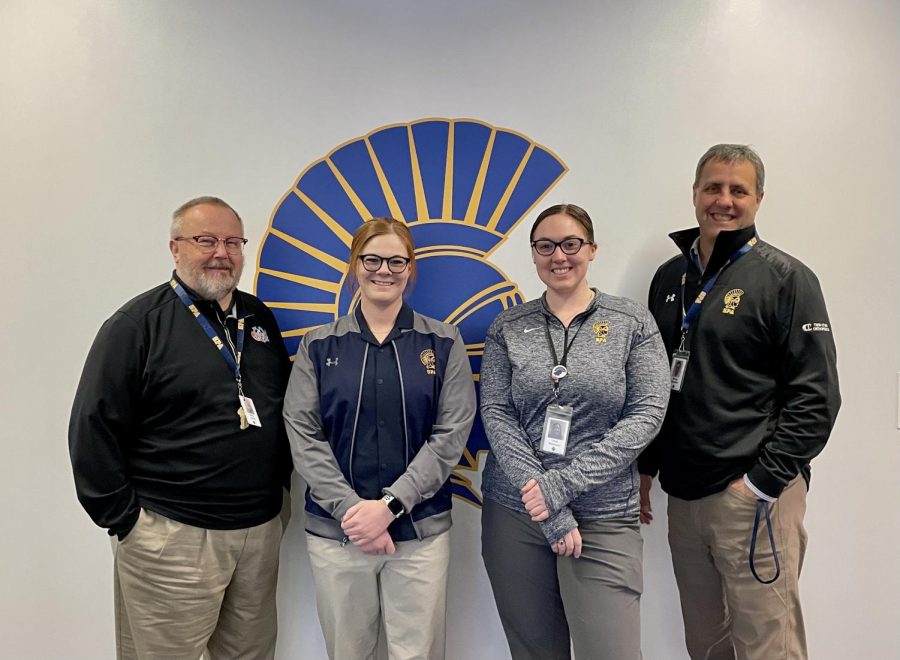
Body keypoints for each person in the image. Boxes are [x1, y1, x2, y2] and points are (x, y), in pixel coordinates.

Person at [638, 144, 841, 660]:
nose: (723, 200)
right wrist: (648, 467)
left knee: (767, 645)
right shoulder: (668, 279)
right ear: (695, 193)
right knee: (706, 645)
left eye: (738, 190)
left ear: (758, 199)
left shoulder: (786, 278)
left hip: (753, 497)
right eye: (713, 187)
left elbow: (816, 398)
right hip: (684, 495)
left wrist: (762, 483)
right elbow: (659, 381)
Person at [69, 196, 292, 660]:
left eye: (233, 242)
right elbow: (92, 426)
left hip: (258, 531)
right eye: (205, 240)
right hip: (172, 536)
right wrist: (127, 522)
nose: (221, 253)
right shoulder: (136, 325)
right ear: (175, 249)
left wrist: (281, 498)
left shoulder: (258, 319)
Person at [479, 203, 671, 660]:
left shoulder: (632, 322)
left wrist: (561, 486)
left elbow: (647, 412)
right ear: (533, 254)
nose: (558, 256)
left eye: (570, 244)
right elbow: (496, 412)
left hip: (604, 512)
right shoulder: (508, 326)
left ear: (592, 250)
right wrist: (544, 501)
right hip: (515, 513)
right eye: (545, 246)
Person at [283, 217, 477, 660]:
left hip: (419, 535)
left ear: (411, 268)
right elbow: (303, 433)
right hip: (338, 534)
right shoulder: (318, 345)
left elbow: (451, 434)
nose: (383, 270)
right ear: (355, 264)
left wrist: (389, 507)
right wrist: (354, 512)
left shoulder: (443, 342)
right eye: (372, 259)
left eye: (396, 260)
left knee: (418, 654)